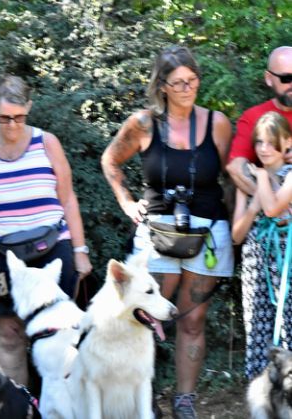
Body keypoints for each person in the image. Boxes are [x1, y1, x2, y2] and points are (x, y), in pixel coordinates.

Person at [101, 45, 233, 419]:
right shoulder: (143, 124)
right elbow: (110, 159)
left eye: (193, 80)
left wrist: (237, 223)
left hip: (208, 232)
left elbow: (232, 176)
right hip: (157, 231)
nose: (187, 88)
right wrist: (127, 201)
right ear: (161, 86)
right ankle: (141, 398)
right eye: (178, 83)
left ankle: (184, 401)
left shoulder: (217, 123)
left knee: (193, 320)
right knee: (144, 316)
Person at [0, 74, 92, 386]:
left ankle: (62, 403)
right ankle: (18, 405)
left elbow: (68, 198)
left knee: (60, 332)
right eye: (4, 118)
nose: (12, 125)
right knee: (8, 334)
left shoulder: (47, 143)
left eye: (19, 117)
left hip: (52, 249)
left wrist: (80, 250)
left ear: (29, 108)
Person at [232, 111, 292, 380]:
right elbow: (236, 236)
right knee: (258, 327)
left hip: (287, 262)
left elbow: (272, 209)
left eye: (271, 142)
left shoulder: (289, 175)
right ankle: (262, 394)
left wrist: (263, 179)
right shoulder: (246, 180)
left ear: (287, 141)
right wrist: (251, 206)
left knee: (288, 325)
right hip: (256, 266)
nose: (264, 149)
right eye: (259, 142)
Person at [227, 46, 292, 194]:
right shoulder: (254, 117)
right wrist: (269, 200)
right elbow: (236, 168)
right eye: (287, 79)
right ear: (269, 78)